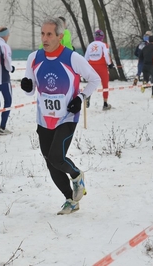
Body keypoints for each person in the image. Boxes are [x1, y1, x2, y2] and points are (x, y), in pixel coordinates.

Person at [20, 17, 100, 215]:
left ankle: (76, 175)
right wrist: (27, 86)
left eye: (49, 34)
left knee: (57, 157)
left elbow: (94, 79)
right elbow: (31, 90)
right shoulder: (34, 58)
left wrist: (81, 98)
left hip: (67, 117)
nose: (45, 38)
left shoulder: (72, 58)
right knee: (50, 161)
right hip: (44, 119)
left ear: (59, 36)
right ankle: (70, 200)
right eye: (42, 33)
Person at [84, 29, 113, 110]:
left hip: (91, 66)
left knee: (91, 83)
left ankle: (88, 95)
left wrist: (85, 67)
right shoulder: (104, 45)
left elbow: (86, 57)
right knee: (105, 84)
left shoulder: (90, 45)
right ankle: (105, 103)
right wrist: (109, 63)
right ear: (102, 37)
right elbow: (106, 55)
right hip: (102, 67)